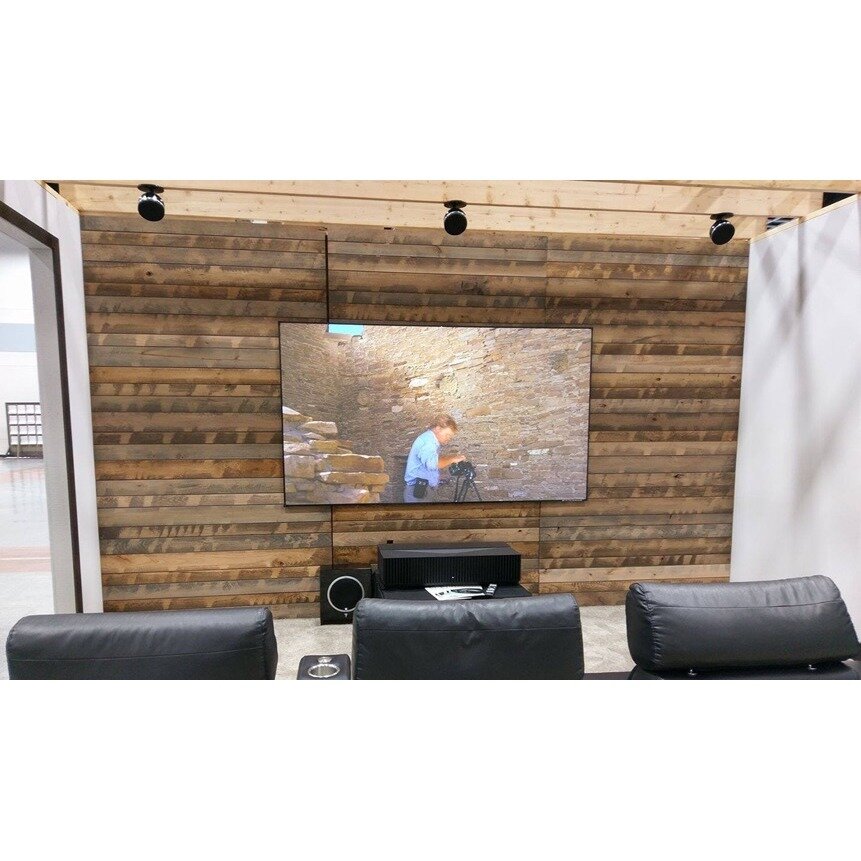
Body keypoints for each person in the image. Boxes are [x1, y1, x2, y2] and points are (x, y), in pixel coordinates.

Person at [403, 414, 466, 503]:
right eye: (447, 434)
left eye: (450, 437)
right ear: (438, 428)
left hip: (421, 490)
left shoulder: (431, 440)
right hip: (417, 493)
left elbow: (423, 468)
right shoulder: (428, 441)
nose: (448, 439)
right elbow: (432, 463)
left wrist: (437, 477)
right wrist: (452, 458)